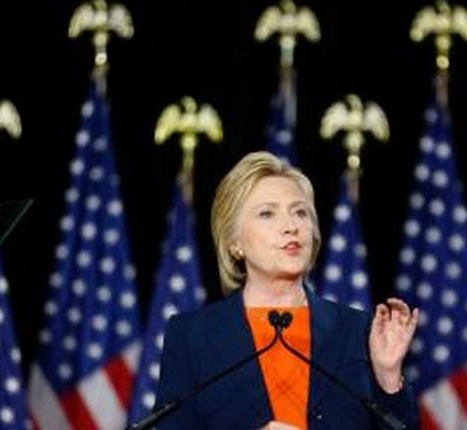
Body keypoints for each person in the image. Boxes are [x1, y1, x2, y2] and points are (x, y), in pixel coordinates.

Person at [154, 151, 419, 429]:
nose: (291, 227)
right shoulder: (192, 337)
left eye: (300, 212)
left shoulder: (358, 331)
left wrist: (388, 377)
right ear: (235, 243)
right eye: (267, 213)